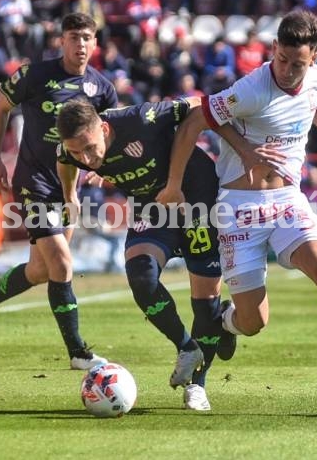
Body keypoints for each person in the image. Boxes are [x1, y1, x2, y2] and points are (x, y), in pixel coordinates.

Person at [157, 10, 317, 402]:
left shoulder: (315, 80)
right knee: (253, 322)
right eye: (282, 59)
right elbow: (197, 120)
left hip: (287, 201)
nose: (286, 69)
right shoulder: (252, 88)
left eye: (297, 63)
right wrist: (176, 184)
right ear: (273, 49)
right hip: (239, 208)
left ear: (313, 58)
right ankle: (226, 322)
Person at [0, 13, 117, 371]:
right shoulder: (35, 76)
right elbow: (1, 107)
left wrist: (99, 168)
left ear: (95, 44)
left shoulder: (102, 89)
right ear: (61, 40)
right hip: (34, 181)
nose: (80, 45)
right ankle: (77, 352)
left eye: (87, 38)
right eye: (74, 37)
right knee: (61, 262)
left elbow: (109, 133)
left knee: (40, 270)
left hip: (68, 186)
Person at [56, 97, 236, 411]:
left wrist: (241, 150)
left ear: (105, 128)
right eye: (77, 152)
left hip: (197, 197)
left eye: (89, 147)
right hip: (151, 206)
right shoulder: (71, 149)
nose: (86, 157)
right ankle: (186, 347)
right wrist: (70, 195)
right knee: (140, 274)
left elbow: (200, 107)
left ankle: (197, 385)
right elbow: (64, 159)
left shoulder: (142, 118)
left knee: (205, 300)